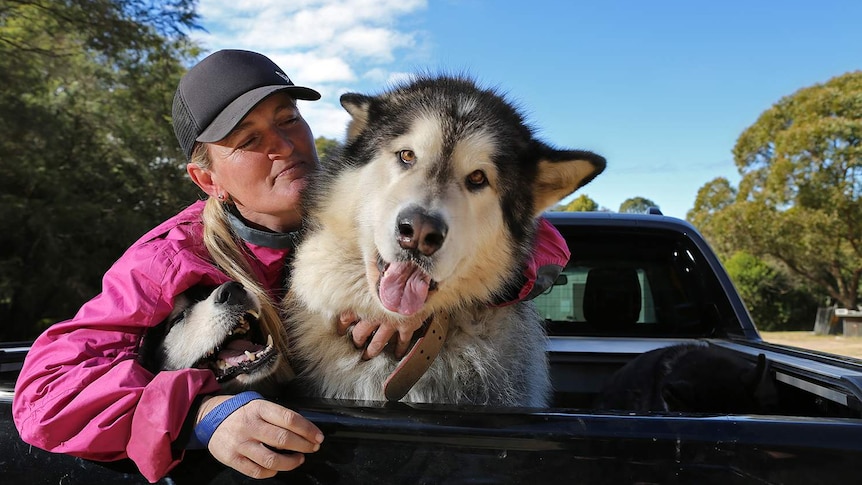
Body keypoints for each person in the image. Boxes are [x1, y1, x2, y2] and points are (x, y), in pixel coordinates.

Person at [12, 49, 572, 482]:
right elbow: (47, 390)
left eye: (287, 119)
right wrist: (199, 416)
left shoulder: (356, 194)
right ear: (207, 179)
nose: (283, 145)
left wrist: (426, 299)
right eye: (247, 140)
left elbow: (530, 237)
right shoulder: (171, 258)